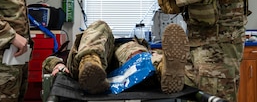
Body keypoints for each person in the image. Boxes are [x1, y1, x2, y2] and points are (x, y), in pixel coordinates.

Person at [43, 20, 189, 95]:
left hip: (123, 66)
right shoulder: (86, 41)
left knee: (135, 52)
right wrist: (57, 65)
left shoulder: (122, 42)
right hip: (86, 64)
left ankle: (164, 70)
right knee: (100, 26)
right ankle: (90, 68)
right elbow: (48, 60)